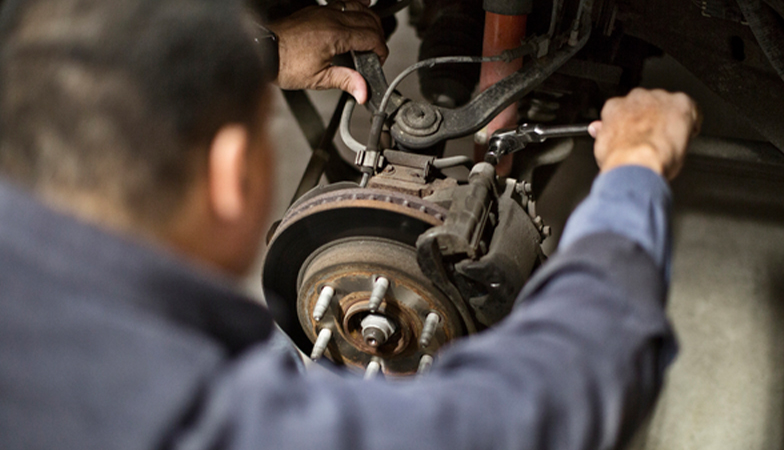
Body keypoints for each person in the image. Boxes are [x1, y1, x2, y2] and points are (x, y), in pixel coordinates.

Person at [0, 0, 700, 449]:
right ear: (235, 174)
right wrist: (634, 172)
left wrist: (265, 50)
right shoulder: (200, 423)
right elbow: (553, 397)